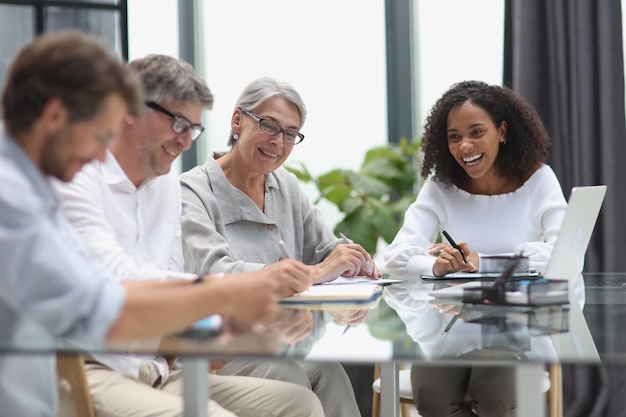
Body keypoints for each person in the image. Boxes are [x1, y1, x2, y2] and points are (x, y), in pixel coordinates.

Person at [0, 30, 324, 417]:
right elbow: (109, 296)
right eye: (101, 134)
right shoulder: (21, 193)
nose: (98, 154)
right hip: (82, 371)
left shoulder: (43, 185)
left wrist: (225, 319)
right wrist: (234, 294)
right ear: (54, 117)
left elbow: (151, 282)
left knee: (297, 403)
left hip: (152, 366)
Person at [179, 76, 381, 417]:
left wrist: (355, 265)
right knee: (288, 378)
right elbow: (215, 274)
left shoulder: (284, 186)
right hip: (217, 352)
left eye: (290, 133)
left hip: (281, 345)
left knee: (330, 373)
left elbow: (326, 251)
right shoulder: (192, 192)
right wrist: (315, 273)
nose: (278, 141)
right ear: (237, 120)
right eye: (269, 125)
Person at [383, 80, 582, 417]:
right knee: (431, 393)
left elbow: (565, 256)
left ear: (502, 131)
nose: (465, 146)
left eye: (476, 132)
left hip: (520, 334)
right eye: (454, 136)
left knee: (494, 388)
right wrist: (436, 266)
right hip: (450, 334)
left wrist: (482, 263)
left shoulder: (538, 179)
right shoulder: (441, 186)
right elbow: (396, 258)